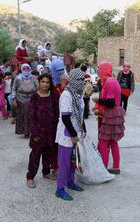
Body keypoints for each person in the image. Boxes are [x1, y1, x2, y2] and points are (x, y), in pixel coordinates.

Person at [55, 68, 86, 201]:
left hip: (76, 132)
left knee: (74, 160)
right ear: (72, 81)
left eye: (83, 79)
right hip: (67, 134)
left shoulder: (78, 94)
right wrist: (73, 135)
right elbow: (66, 118)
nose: (82, 82)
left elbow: (81, 114)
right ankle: (60, 189)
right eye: (79, 80)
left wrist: (83, 129)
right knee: (65, 162)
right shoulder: (67, 95)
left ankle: (70, 181)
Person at [26, 73, 60, 188]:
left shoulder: (53, 96)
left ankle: (46, 172)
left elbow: (57, 113)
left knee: (48, 154)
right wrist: (34, 133)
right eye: (43, 82)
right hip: (38, 132)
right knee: (35, 155)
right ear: (39, 82)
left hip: (51, 131)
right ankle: (30, 177)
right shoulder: (34, 97)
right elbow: (31, 116)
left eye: (47, 82)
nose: (45, 84)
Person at [92, 61, 126, 175]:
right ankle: (116, 166)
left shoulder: (109, 83)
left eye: (100, 69)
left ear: (103, 70)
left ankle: (103, 168)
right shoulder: (112, 81)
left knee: (103, 142)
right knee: (113, 142)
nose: (99, 71)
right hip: (115, 114)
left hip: (111, 115)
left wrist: (98, 100)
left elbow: (110, 102)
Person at [12, 64, 38, 137]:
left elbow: (38, 88)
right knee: (22, 115)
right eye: (24, 68)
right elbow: (14, 89)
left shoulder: (33, 78)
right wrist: (14, 99)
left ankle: (30, 131)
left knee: (30, 115)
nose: (26, 70)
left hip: (31, 99)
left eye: (27, 68)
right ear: (22, 69)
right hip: (20, 99)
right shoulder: (18, 78)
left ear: (29, 69)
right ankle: (24, 131)